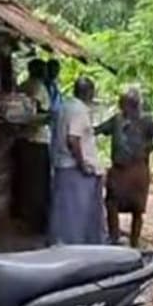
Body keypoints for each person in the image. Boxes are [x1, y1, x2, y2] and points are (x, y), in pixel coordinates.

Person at [96, 88, 153, 247]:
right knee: (111, 204)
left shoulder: (147, 121)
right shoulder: (117, 120)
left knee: (137, 209)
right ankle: (114, 238)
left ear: (134, 105)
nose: (122, 108)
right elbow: (98, 129)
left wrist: (150, 148)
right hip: (119, 170)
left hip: (137, 170)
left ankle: (134, 241)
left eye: (125, 104)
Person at [48, 77, 107, 245]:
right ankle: (75, 246)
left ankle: (60, 242)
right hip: (75, 167)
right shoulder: (79, 110)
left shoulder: (64, 106)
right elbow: (73, 138)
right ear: (89, 92)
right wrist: (82, 164)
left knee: (63, 210)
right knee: (78, 211)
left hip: (62, 165)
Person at [13, 59, 52, 234]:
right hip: (36, 140)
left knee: (26, 181)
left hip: (22, 140)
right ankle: (35, 223)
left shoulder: (22, 86)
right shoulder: (38, 88)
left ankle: (25, 218)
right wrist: (52, 116)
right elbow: (35, 115)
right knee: (37, 184)